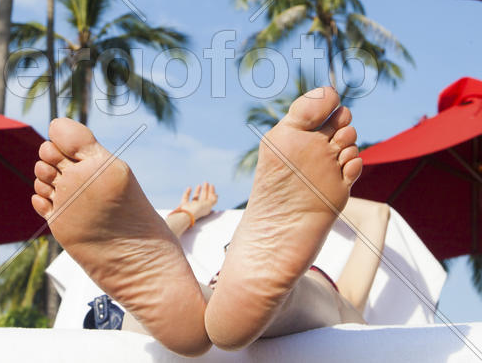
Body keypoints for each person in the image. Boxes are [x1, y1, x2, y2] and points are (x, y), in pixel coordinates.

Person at [31, 87, 388, 356]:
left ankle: (235, 297)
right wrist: (323, 190)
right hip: (273, 294)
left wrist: (187, 216)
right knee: (337, 304)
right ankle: (276, 298)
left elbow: (155, 247)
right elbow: (377, 214)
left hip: (146, 309)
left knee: (200, 302)